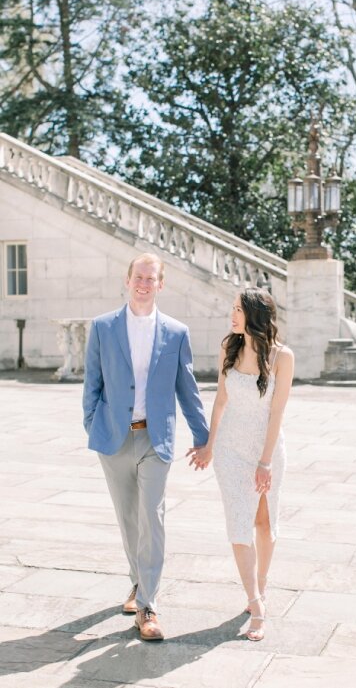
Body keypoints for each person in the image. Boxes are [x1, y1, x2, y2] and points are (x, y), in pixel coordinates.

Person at [82, 253, 209, 641]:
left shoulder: (175, 331)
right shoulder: (103, 327)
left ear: (160, 284)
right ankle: (137, 582)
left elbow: (187, 388)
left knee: (151, 517)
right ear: (128, 279)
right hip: (115, 439)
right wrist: (93, 423)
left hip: (156, 439)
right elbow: (93, 382)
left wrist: (203, 436)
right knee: (128, 518)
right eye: (139, 277)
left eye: (151, 279)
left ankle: (149, 605)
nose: (143, 284)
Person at [186, 288, 293, 642]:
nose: (232, 315)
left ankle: (261, 585)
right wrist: (209, 446)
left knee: (264, 520)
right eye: (231, 308)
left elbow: (276, 412)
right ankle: (255, 601)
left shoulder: (282, 357)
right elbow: (220, 401)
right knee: (238, 521)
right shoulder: (228, 348)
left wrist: (265, 461)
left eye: (238, 310)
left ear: (256, 315)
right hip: (231, 449)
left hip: (266, 449)